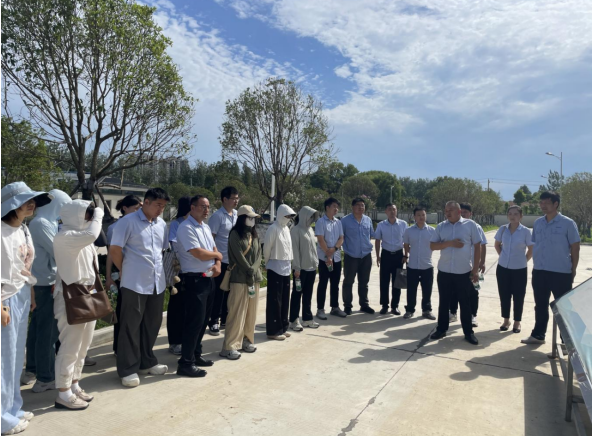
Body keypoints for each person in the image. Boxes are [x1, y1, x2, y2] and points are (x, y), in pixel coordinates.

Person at [2, 182, 51, 435]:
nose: (31, 204)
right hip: (5, 298)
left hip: (20, 293)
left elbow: (24, 266)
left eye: (33, 200)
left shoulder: (23, 229)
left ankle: (13, 407)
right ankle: (3, 419)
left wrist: (30, 291)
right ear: (12, 204)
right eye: (25, 201)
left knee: (15, 357)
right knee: (3, 359)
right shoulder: (1, 231)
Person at [110, 188, 170, 387]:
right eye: (158, 205)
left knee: (152, 324)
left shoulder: (161, 224)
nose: (160, 209)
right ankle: (127, 369)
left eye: (163, 206)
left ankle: (147, 362)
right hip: (134, 282)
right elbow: (115, 249)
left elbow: (161, 251)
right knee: (130, 326)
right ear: (146, 202)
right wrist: (125, 269)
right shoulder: (127, 222)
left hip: (156, 282)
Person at [53, 201, 104, 410]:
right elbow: (93, 234)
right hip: (70, 297)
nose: (90, 218)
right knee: (70, 346)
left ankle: (74, 384)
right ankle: (63, 392)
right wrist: (99, 213)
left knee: (83, 346)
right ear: (75, 215)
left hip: (86, 294)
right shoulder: (64, 237)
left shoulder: (82, 237)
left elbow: (96, 238)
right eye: (87, 214)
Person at [23, 190, 71, 393]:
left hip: (41, 283)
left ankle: (32, 370)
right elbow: (58, 251)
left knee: (37, 329)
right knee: (48, 332)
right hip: (45, 284)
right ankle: (45, 377)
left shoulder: (43, 222)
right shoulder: (41, 223)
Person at [522, 191, 580, 345]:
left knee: (563, 308)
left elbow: (575, 247)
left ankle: (566, 342)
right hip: (540, 271)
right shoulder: (538, 223)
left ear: (556, 204)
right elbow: (535, 244)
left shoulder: (568, 223)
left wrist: (573, 269)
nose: (543, 206)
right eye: (541, 203)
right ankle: (538, 335)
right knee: (540, 305)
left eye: (546, 203)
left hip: (560, 272)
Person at [175, 195, 222, 375]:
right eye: (202, 206)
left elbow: (214, 249)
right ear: (192, 207)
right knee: (194, 322)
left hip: (208, 279)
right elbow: (199, 253)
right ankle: (185, 363)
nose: (206, 210)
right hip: (194, 280)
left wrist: (218, 263)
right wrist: (217, 257)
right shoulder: (186, 228)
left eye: (208, 207)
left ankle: (195, 354)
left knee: (203, 321)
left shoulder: (205, 227)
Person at [430, 201, 482, 345]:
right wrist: (449, 243)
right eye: (446, 210)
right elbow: (432, 245)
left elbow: (477, 246)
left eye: (451, 210)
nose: (447, 213)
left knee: (465, 303)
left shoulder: (470, 225)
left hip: (463, 271)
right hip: (444, 271)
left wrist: (475, 269)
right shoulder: (441, 226)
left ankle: (468, 332)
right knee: (444, 302)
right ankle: (441, 329)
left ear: (459, 212)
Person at [220, 205, 263, 360]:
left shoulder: (254, 234)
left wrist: (254, 269)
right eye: (250, 217)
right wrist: (249, 269)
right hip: (239, 278)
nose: (252, 220)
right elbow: (238, 255)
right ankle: (230, 346)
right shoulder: (234, 234)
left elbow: (259, 255)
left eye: (254, 218)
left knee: (251, 313)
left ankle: (247, 340)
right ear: (242, 218)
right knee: (237, 312)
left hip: (254, 278)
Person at [104, 194, 142, 355]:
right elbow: (111, 254)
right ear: (125, 208)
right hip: (122, 274)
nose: (139, 211)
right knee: (122, 311)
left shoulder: (143, 224)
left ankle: (135, 346)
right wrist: (108, 277)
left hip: (140, 275)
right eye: (136, 208)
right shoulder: (115, 227)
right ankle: (119, 347)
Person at [494, 206, 534, 334]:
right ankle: (506, 320)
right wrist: (503, 256)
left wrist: (524, 260)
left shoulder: (526, 231)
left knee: (519, 296)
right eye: (510, 214)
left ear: (521, 216)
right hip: (503, 268)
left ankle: (517, 322)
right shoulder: (502, 229)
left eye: (516, 214)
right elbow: (497, 244)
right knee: (504, 295)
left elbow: (531, 249)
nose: (512, 216)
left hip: (519, 269)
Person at [449, 203, 487, 327]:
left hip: (473, 267)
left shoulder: (476, 227)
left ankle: (473, 315)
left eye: (466, 212)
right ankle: (453, 312)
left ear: (471, 214)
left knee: (473, 291)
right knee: (454, 290)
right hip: (458, 266)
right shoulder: (454, 226)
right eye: (462, 212)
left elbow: (482, 246)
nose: (463, 214)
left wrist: (482, 262)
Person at [207, 187, 239, 336]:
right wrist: (214, 260)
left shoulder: (237, 215)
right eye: (233, 198)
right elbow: (210, 239)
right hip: (221, 260)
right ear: (224, 199)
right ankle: (214, 321)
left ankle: (225, 319)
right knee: (218, 293)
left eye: (237, 198)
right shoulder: (217, 216)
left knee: (229, 292)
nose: (236, 201)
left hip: (234, 261)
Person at [264, 203, 297, 340]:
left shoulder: (287, 229)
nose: (288, 219)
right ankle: (273, 330)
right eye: (286, 216)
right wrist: (266, 263)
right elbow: (267, 248)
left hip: (286, 267)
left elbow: (288, 248)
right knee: (274, 300)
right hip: (275, 267)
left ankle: (283, 327)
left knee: (284, 299)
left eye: (290, 217)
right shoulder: (273, 228)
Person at [166, 196, 191, 356]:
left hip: (193, 271)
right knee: (177, 307)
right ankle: (175, 342)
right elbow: (174, 245)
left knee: (190, 308)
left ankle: (186, 340)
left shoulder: (198, 225)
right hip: (179, 272)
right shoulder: (176, 224)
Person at [341, 198, 376, 315]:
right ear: (352, 207)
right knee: (348, 281)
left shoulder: (368, 220)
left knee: (364, 282)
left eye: (362, 205)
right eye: (358, 205)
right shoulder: (345, 221)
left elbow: (371, 235)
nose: (360, 207)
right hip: (351, 256)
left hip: (366, 256)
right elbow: (341, 237)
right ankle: (347, 306)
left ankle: (364, 305)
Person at [289, 206, 320, 331]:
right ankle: (294, 320)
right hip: (300, 269)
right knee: (297, 294)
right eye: (310, 216)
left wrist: (316, 263)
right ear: (304, 216)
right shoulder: (295, 230)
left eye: (313, 217)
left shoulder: (310, 230)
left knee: (308, 295)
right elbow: (295, 250)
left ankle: (307, 318)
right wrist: (296, 267)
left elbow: (313, 248)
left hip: (311, 268)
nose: (311, 219)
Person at [403, 207, 436, 320]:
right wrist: (408, 254)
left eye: (423, 215)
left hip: (427, 265)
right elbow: (406, 245)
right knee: (411, 289)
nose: (421, 217)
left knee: (427, 290)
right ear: (414, 217)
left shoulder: (432, 231)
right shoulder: (409, 231)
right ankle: (410, 310)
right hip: (412, 265)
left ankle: (426, 310)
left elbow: (435, 245)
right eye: (418, 215)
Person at [315, 198, 346, 320]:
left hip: (336, 258)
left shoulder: (338, 222)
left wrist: (335, 249)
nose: (336, 209)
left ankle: (335, 307)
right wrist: (328, 255)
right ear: (327, 207)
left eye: (337, 207)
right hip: (324, 259)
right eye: (334, 206)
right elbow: (320, 239)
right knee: (323, 283)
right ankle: (320, 309)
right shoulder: (321, 222)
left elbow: (341, 238)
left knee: (335, 284)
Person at [374, 203, 408, 315]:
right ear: (386, 212)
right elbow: (377, 240)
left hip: (398, 256)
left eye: (394, 209)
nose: (392, 211)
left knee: (397, 282)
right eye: (389, 209)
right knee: (384, 281)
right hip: (386, 255)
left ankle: (395, 306)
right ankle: (384, 305)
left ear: (396, 211)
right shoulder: (381, 225)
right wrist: (378, 256)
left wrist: (405, 255)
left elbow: (406, 241)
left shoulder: (403, 224)